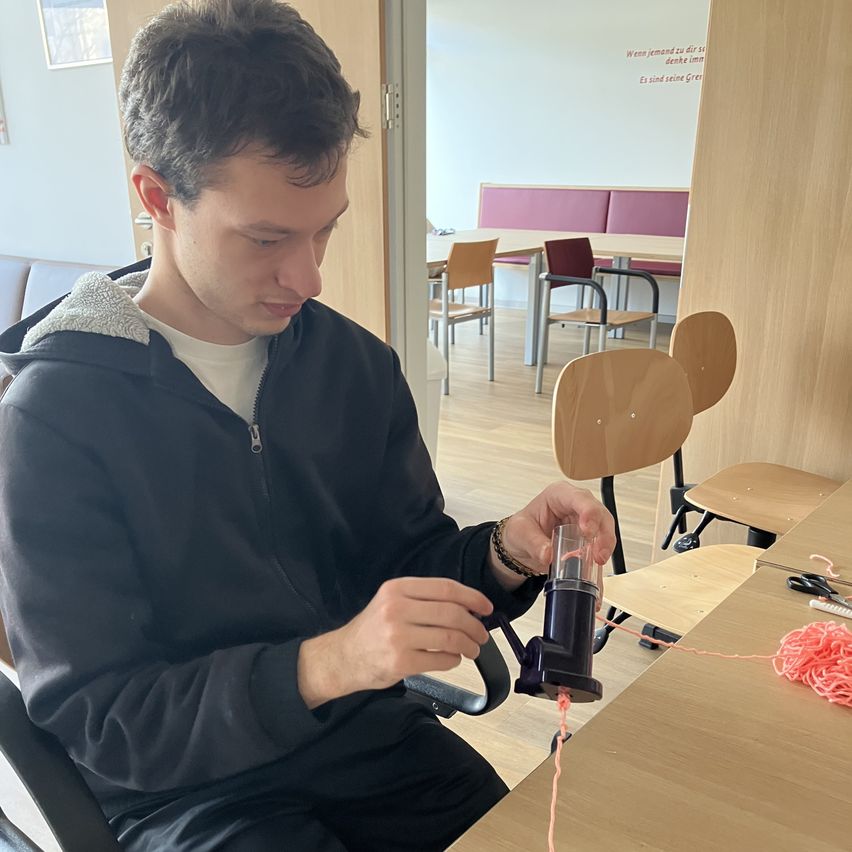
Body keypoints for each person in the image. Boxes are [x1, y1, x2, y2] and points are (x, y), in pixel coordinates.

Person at [0, 2, 615, 850]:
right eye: (265, 239)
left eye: (325, 230)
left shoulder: (352, 368)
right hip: (190, 796)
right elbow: (105, 721)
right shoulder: (53, 419)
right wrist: (330, 663)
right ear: (157, 197)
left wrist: (508, 552)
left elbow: (402, 564)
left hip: (373, 749)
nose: (309, 277)